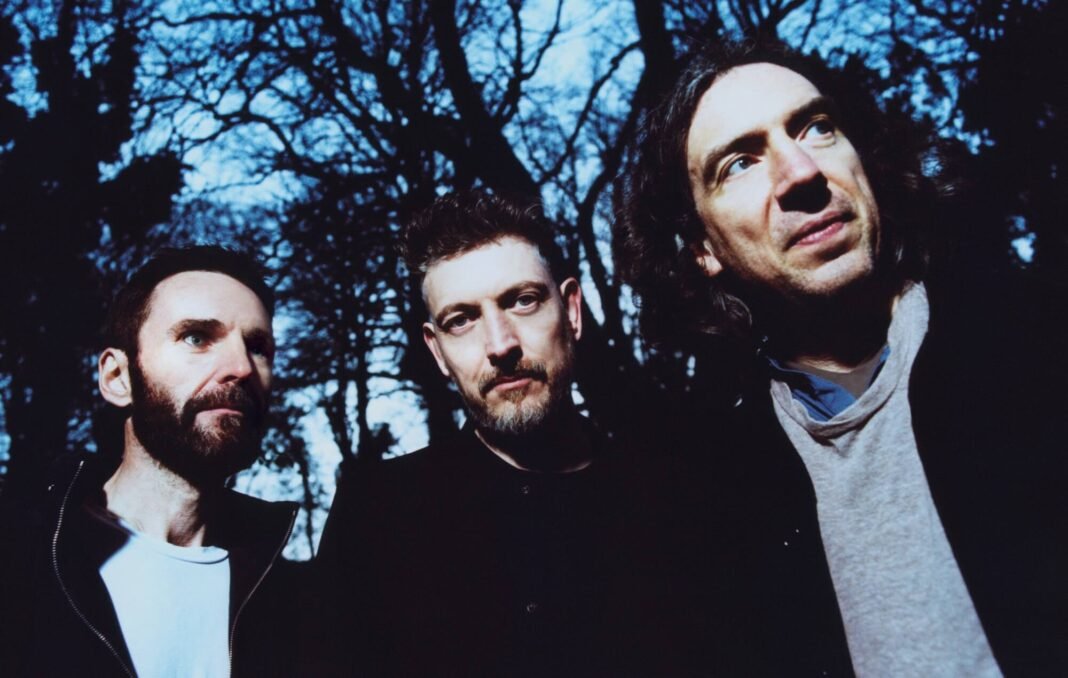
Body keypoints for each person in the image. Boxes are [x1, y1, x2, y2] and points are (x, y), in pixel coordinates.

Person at [615, 40, 1068, 676]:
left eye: (816, 127)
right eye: (740, 163)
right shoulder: (707, 499)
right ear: (702, 249)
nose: (801, 172)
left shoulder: (1038, 343)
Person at [316, 191, 671, 676]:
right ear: (437, 352)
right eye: (461, 320)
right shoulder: (375, 513)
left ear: (571, 311)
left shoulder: (671, 499)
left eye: (523, 301)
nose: (501, 345)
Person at [0, 246, 298, 677]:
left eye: (257, 347)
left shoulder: (291, 603)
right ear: (117, 378)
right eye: (196, 337)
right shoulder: (20, 559)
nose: (241, 367)